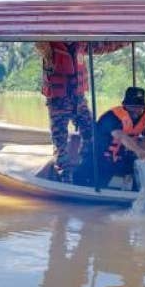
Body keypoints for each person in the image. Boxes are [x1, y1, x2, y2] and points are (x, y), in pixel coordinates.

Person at [36, 41, 126, 182]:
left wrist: (124, 42)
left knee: (91, 132)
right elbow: (39, 42)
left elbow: (104, 47)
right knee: (61, 143)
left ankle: (86, 164)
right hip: (59, 101)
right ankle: (64, 177)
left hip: (79, 100)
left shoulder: (81, 43)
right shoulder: (48, 45)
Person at [74, 86, 145, 189]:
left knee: (137, 182)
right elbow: (120, 136)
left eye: (139, 107)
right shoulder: (111, 117)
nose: (136, 111)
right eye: (133, 107)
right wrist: (138, 150)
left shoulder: (142, 119)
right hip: (98, 160)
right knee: (81, 180)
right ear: (125, 105)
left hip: (121, 160)